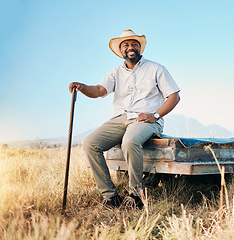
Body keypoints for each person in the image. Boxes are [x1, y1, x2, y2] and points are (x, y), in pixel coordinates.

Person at [69, 29, 180, 208]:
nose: (131, 47)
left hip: (146, 119)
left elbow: (174, 96)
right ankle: (111, 197)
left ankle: (136, 194)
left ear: (140, 48)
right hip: (120, 118)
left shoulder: (156, 68)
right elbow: (98, 91)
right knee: (90, 143)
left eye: (134, 44)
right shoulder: (115, 73)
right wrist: (82, 87)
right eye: (126, 45)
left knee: (129, 141)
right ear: (121, 51)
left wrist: (155, 115)